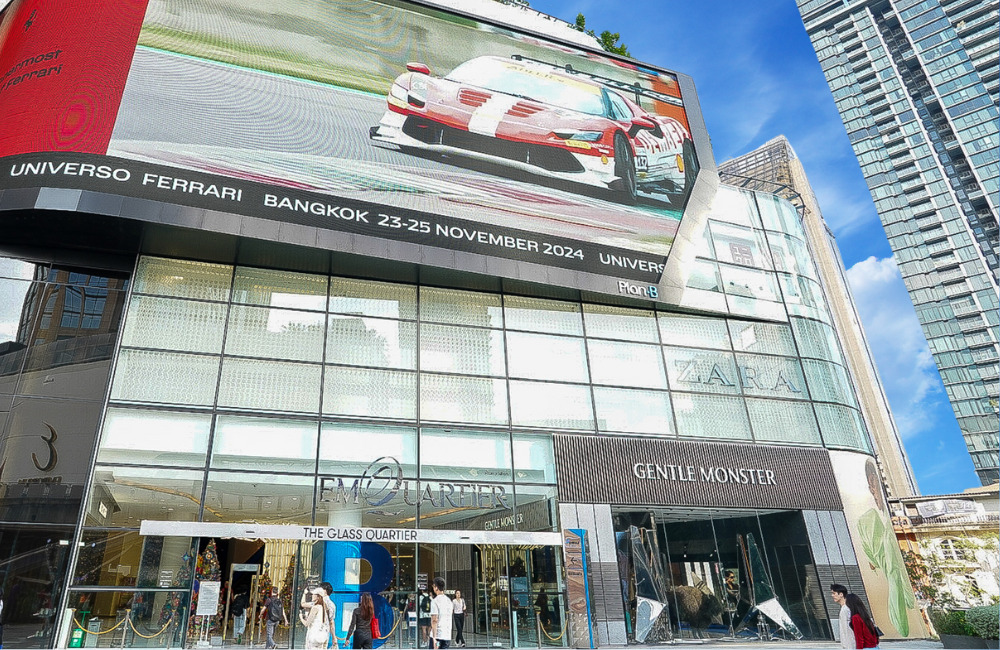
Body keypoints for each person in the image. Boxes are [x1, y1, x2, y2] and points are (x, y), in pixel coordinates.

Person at [302, 582, 337, 648]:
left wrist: (304, 593)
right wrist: (334, 637)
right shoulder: (332, 605)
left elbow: (303, 604)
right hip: (325, 634)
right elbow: (331, 622)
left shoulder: (317, 602)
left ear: (324, 590)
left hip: (315, 634)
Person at [429, 577, 453, 650]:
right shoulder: (449, 601)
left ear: (436, 587)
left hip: (438, 636)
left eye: (433, 586)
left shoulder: (435, 601)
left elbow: (434, 620)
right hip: (447, 635)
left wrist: (434, 638)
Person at [830, 584, 854, 650]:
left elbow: (847, 630)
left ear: (841, 594)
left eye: (834, 593)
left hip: (850, 645)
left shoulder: (845, 609)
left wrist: (849, 646)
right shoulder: (846, 608)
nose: (832, 595)